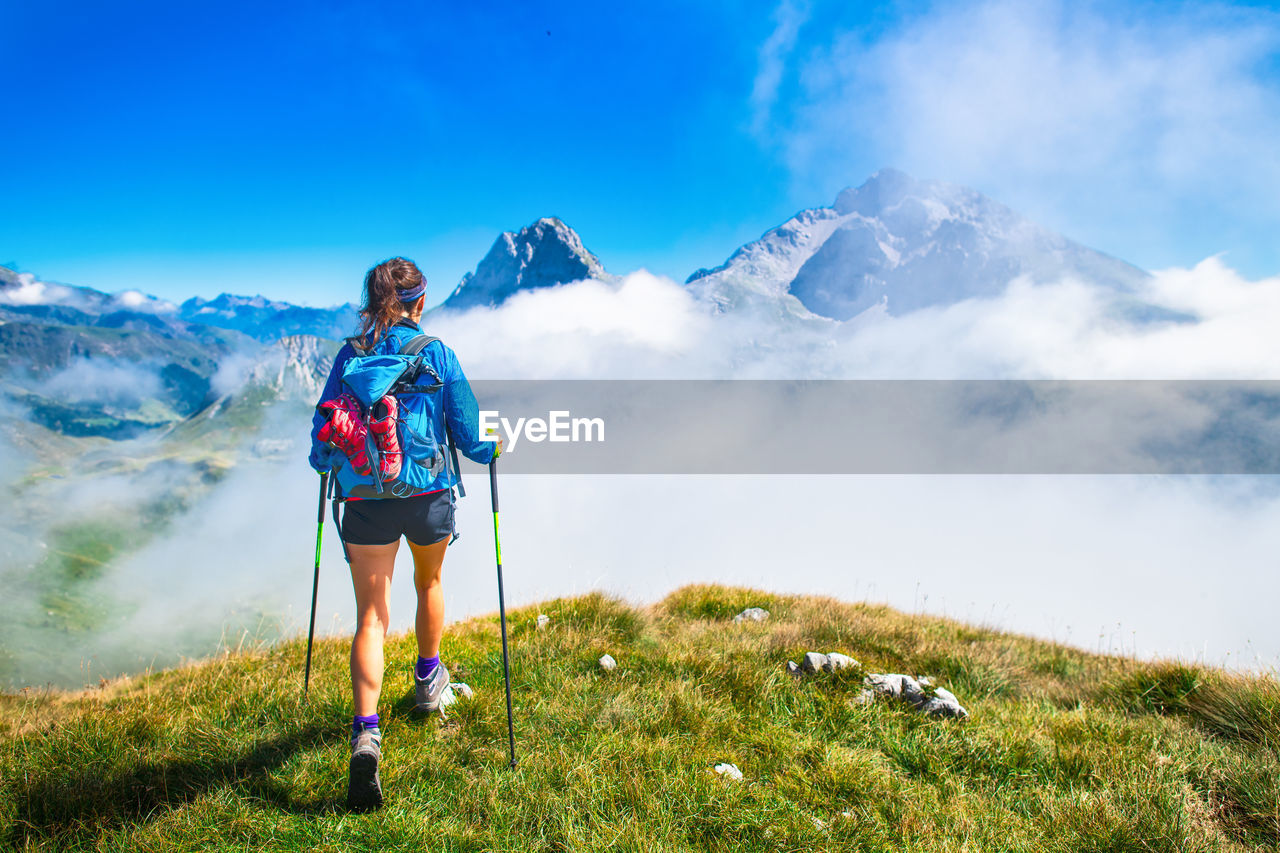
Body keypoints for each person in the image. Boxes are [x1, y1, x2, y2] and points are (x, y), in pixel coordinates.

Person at [308, 256, 499, 811]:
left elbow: (322, 440)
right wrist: (495, 448)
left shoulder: (351, 356)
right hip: (427, 497)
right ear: (420, 301)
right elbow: (468, 434)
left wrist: (325, 465)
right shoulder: (437, 353)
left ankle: (366, 734)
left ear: (371, 302)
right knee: (428, 584)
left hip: (365, 501)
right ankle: (427, 681)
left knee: (371, 616)